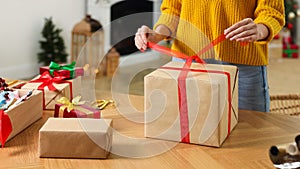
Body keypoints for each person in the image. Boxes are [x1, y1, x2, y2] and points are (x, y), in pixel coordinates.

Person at [134, 1, 285, 112]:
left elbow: (271, 12)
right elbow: (173, 10)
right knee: (187, 136)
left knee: (251, 135)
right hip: (188, 64)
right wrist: (156, 34)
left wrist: (259, 29)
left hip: (243, 68)